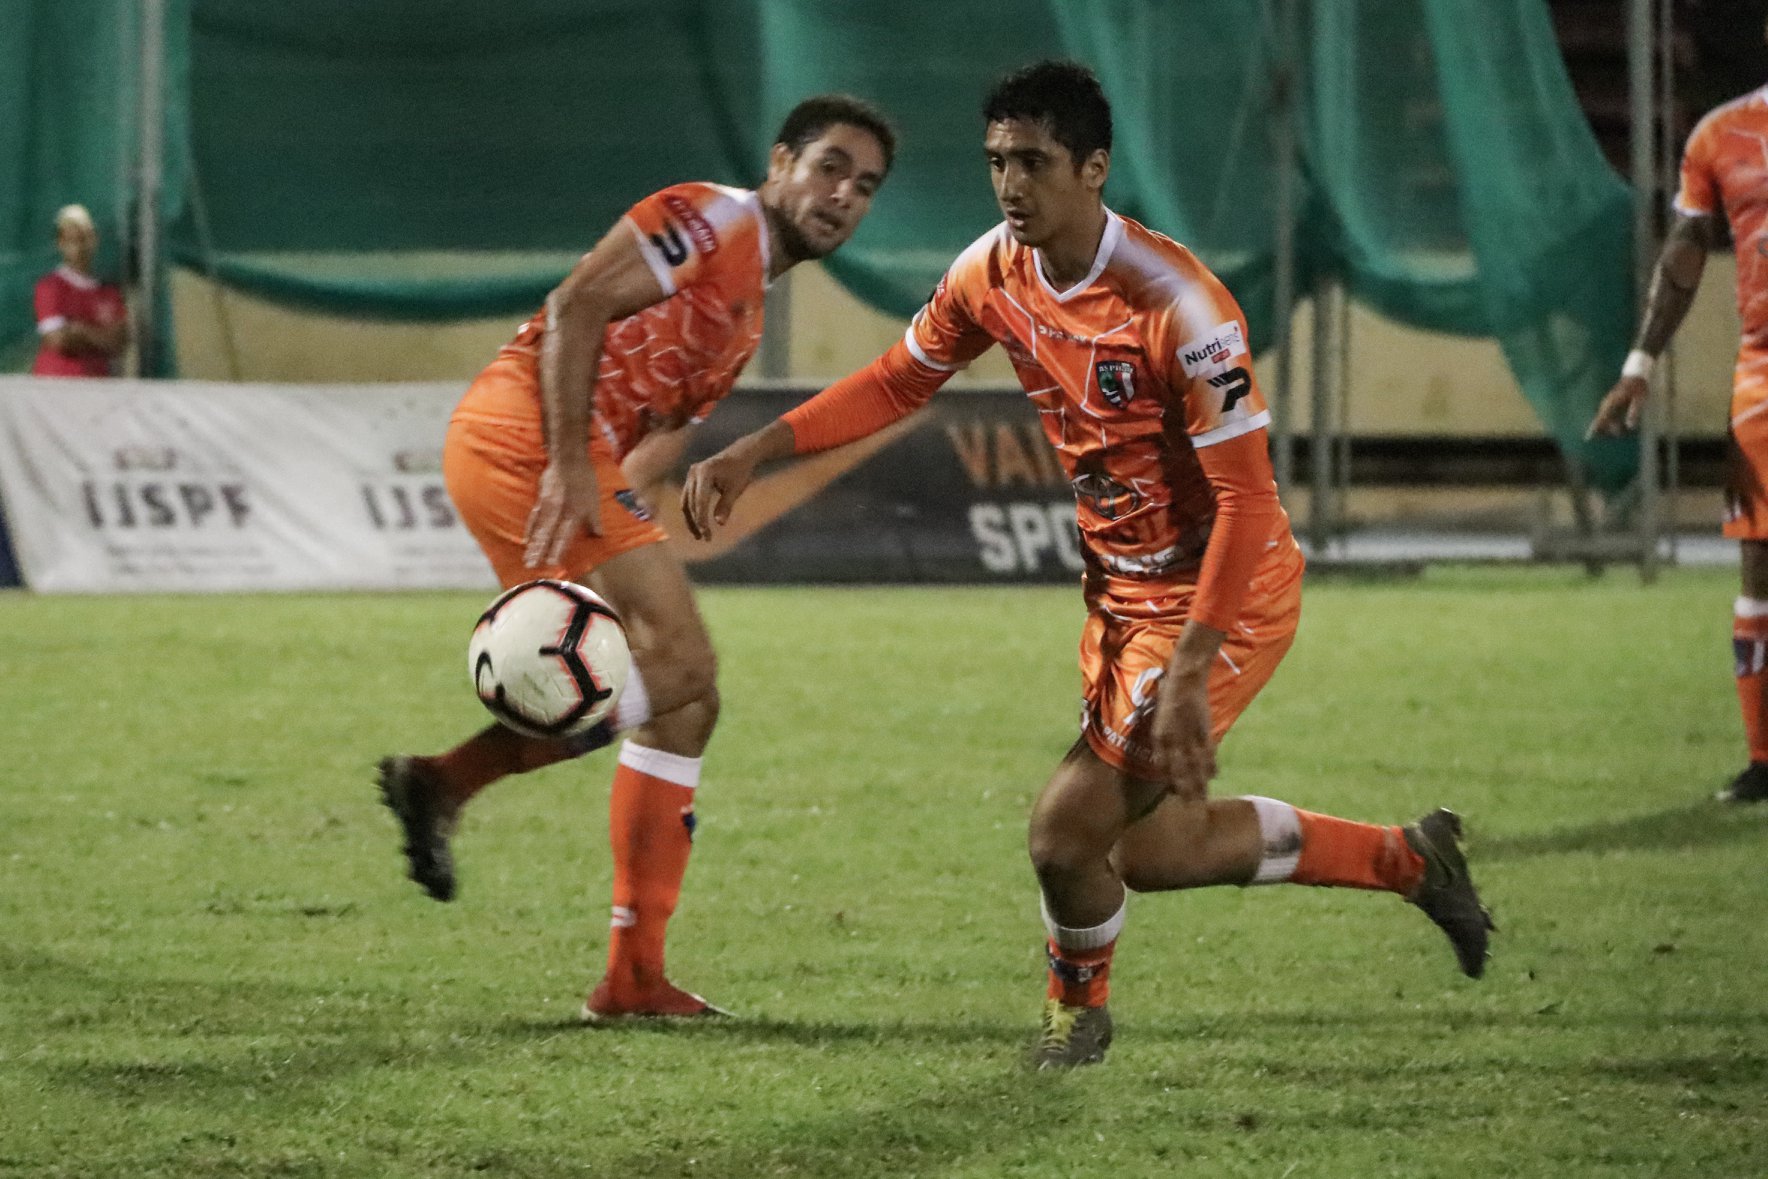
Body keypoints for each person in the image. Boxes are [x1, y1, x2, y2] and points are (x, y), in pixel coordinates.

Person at [682, 60, 1492, 1068]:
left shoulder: (1180, 306)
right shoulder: (991, 272)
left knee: (1062, 836)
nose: (1009, 184)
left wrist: (1192, 666)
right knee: (1151, 853)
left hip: (1217, 597)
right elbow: (898, 381)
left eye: (1032, 161)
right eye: (995, 162)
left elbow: (1247, 500)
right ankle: (1404, 859)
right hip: (1120, 596)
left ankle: (1079, 1021)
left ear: (1094, 168)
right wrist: (757, 449)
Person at [379, 95, 896, 1021]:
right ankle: (446, 780)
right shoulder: (716, 217)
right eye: (828, 168)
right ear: (780, 162)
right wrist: (576, 467)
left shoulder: (744, 314)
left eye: (864, 187)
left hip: (560, 454)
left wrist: (625, 508)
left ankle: (633, 977)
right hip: (521, 436)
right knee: (686, 660)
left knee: (684, 702)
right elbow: (578, 305)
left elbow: (660, 436)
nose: (843, 196)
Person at [1589, 49, 1768, 804]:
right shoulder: (1721, 133)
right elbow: (1686, 252)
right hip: (1764, 381)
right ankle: (1764, 759)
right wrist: (1639, 362)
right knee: (1759, 568)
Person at [32, 205, 128, 377]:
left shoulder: (110, 292)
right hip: (56, 389)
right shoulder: (50, 287)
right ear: (60, 242)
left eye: (82, 237)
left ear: (94, 239)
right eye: (69, 238)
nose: (77, 245)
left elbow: (118, 342)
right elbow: (57, 340)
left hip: (99, 390)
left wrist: (80, 330)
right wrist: (99, 336)